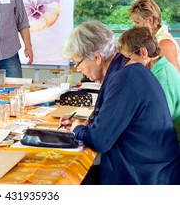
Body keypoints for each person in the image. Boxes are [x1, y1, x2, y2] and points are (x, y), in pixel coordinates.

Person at [59, 20, 180, 185]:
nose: (78, 69)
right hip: (147, 168)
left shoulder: (125, 79)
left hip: (146, 177)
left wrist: (77, 129)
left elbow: (99, 140)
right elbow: (106, 124)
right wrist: (83, 124)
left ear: (96, 58)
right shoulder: (125, 71)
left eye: (77, 63)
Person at [118, 27, 180, 142]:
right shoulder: (158, 68)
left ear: (143, 52)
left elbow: (158, 125)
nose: (124, 64)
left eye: (126, 58)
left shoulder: (162, 80)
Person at [129, 0, 180, 72]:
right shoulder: (150, 39)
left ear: (150, 20)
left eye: (137, 22)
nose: (134, 27)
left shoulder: (165, 44)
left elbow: (175, 79)